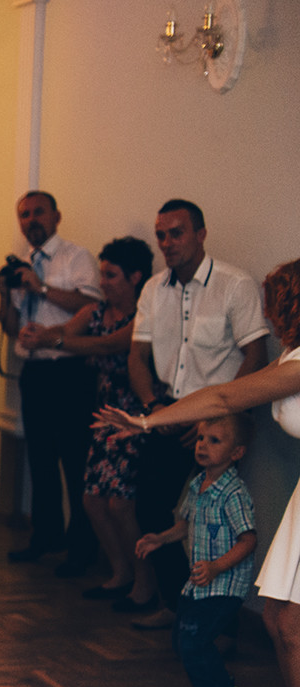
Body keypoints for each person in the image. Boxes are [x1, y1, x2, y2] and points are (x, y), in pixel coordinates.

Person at [96, 257, 299, 687]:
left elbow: (227, 395)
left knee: (286, 621)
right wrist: (148, 420)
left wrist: (147, 420)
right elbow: (221, 397)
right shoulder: (293, 356)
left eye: (277, 304)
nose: (270, 317)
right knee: (277, 617)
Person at [125, 199, 269, 630]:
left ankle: (219, 626)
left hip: (220, 422)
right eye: (161, 235)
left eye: (177, 232)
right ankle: (177, 606)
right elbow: (137, 357)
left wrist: (220, 418)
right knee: (151, 507)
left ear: (201, 234)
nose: (167, 242)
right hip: (167, 412)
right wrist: (154, 407)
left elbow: (256, 355)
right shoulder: (153, 288)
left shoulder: (234, 284)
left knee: (217, 524)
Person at [19, 236, 158, 609]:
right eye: (103, 274)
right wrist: (39, 334)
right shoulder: (96, 310)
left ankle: (145, 583)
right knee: (92, 500)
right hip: (103, 415)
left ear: (135, 277)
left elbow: (107, 345)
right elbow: (66, 331)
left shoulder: (144, 314)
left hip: (134, 415)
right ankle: (120, 572)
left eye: (111, 275)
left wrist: (54, 343)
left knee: (121, 504)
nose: (103, 283)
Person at [0, 191, 103, 571]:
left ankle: (82, 548)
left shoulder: (76, 257)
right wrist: (4, 294)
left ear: (56, 215)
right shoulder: (22, 264)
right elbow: (11, 328)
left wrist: (39, 287)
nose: (31, 220)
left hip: (70, 370)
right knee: (40, 458)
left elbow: (92, 307)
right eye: (24, 215)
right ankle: (45, 536)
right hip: (35, 371)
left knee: (74, 460)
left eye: (38, 212)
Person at [135, 415, 255, 687]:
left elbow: (248, 540)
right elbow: (186, 524)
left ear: (236, 452)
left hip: (223, 584)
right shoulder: (198, 484)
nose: (202, 445)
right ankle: (218, 685)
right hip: (199, 582)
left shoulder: (234, 493)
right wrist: (161, 539)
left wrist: (217, 567)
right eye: (201, 438)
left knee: (194, 639)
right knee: (182, 639)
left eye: (214, 441)